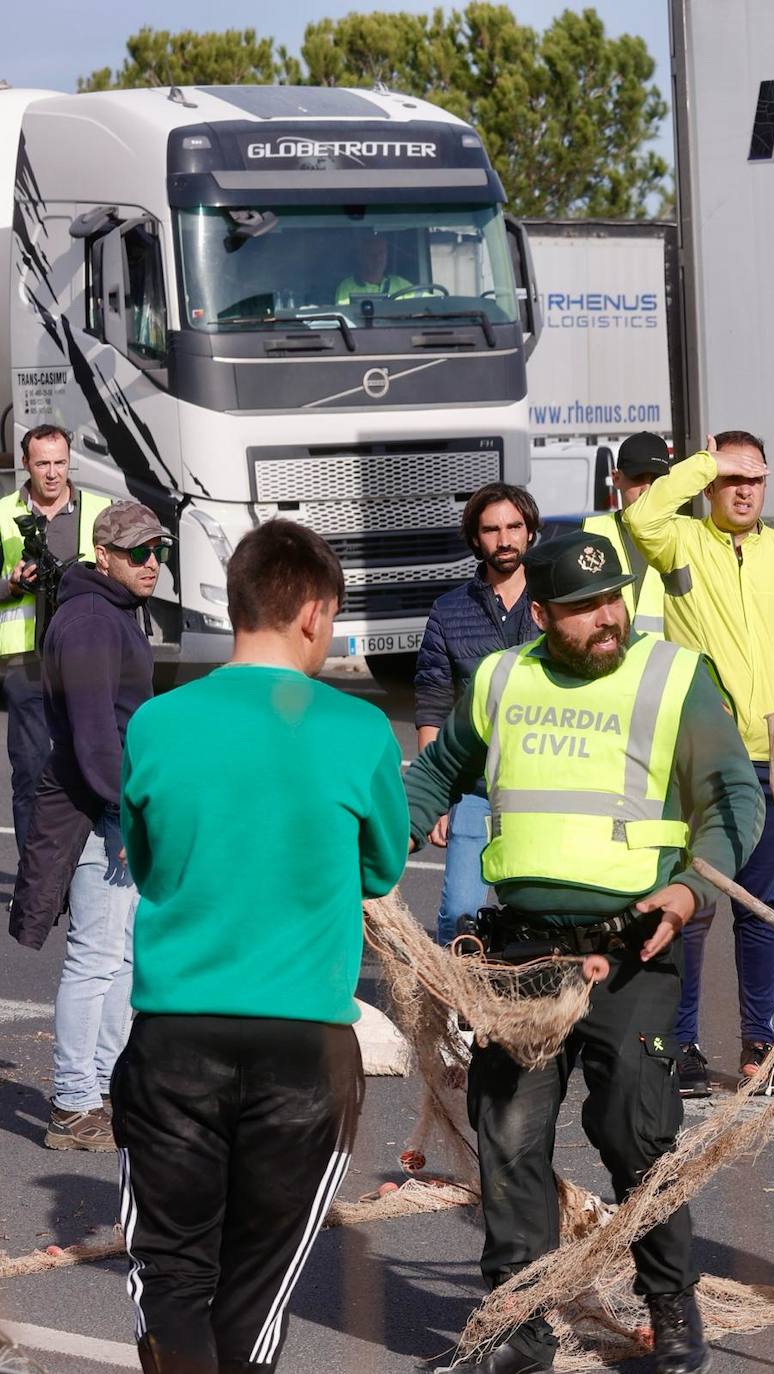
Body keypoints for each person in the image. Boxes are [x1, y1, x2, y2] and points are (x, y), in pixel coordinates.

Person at [405, 530, 764, 1374]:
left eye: (615, 601)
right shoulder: (501, 678)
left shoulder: (676, 677)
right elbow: (435, 775)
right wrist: (375, 841)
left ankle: (672, 1304)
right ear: (541, 613)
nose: (608, 619)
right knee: (510, 1140)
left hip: (635, 948)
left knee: (636, 1132)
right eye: (583, 608)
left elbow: (731, 800)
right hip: (524, 958)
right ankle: (516, 1325)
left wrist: (692, 889)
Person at [110, 520, 410, 1374]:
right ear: (314, 614)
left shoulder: (160, 722)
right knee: (257, 1289)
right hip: (302, 1044)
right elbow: (382, 865)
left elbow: (147, 853)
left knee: (170, 1277)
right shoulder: (357, 731)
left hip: (175, 1031)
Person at [622, 431, 774, 1095]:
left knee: (760, 907)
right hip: (700, 759)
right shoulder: (681, 544)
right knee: (694, 906)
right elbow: (641, 516)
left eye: (755, 478)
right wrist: (704, 463)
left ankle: (757, 1045)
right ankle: (681, 1045)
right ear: (711, 484)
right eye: (732, 478)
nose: (744, 490)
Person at [8, 502, 168, 1151]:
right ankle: (74, 1105)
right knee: (96, 959)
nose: (150, 562)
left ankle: (100, 1088)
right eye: (136, 553)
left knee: (122, 956)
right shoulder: (89, 620)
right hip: (99, 810)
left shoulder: (114, 611)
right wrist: (124, 813)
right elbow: (97, 736)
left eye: (156, 550)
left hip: (116, 806)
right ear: (103, 555)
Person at [415, 483, 540, 944]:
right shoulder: (449, 611)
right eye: (491, 530)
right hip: (473, 787)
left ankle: (525, 1012)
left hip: (544, 788)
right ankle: (461, 1011)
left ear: (529, 532)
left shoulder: (556, 603)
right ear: (476, 538)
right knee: (458, 915)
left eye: (514, 527)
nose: (504, 539)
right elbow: (431, 701)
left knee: (535, 919)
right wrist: (436, 797)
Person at [0, 424, 109, 854]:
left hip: (85, 657)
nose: (52, 473)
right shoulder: (3, 512)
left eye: (60, 462)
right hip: (25, 661)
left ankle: (88, 870)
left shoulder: (99, 510)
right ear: (25, 464)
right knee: (30, 771)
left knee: (92, 762)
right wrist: (10, 584)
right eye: (42, 463)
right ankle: (34, 881)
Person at [583, 431, 671, 635]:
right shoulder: (589, 532)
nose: (647, 489)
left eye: (657, 479)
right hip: (610, 663)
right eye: (638, 478)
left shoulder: (690, 534)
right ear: (616, 478)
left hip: (672, 664)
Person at [334, 230, 411, 304]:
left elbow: (420, 306)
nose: (378, 259)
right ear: (361, 257)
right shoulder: (347, 287)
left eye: (381, 253)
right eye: (371, 254)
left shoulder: (400, 284)